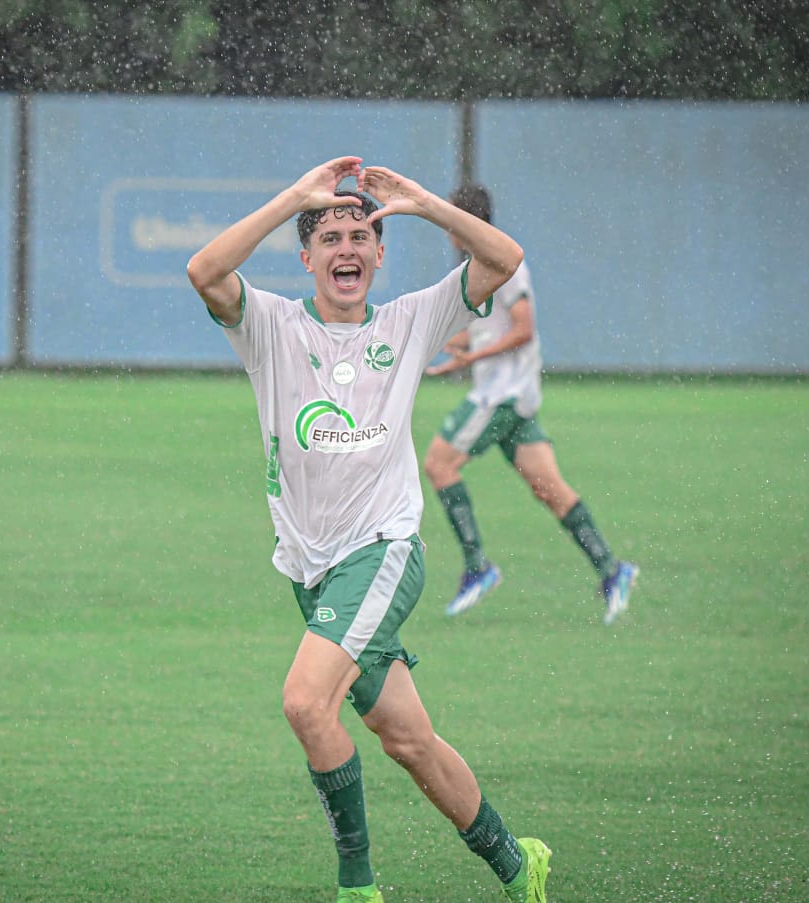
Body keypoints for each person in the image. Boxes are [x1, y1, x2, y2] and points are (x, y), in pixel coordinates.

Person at [186, 157, 550, 903]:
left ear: (380, 253)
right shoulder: (271, 325)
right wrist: (293, 195)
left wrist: (420, 203)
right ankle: (517, 863)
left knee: (303, 703)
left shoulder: (412, 320)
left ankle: (358, 886)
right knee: (408, 741)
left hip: (382, 551)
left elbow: (504, 258)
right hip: (311, 569)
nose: (347, 248)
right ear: (307, 258)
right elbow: (204, 269)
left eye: (361, 235)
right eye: (330, 237)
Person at [423, 183, 638, 625]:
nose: (446, 229)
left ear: (465, 222)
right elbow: (488, 332)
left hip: (500, 397)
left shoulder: (505, 266)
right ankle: (612, 569)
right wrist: (443, 347)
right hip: (514, 399)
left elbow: (523, 331)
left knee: (439, 464)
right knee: (549, 490)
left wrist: (471, 360)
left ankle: (478, 567)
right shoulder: (481, 264)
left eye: (450, 219)